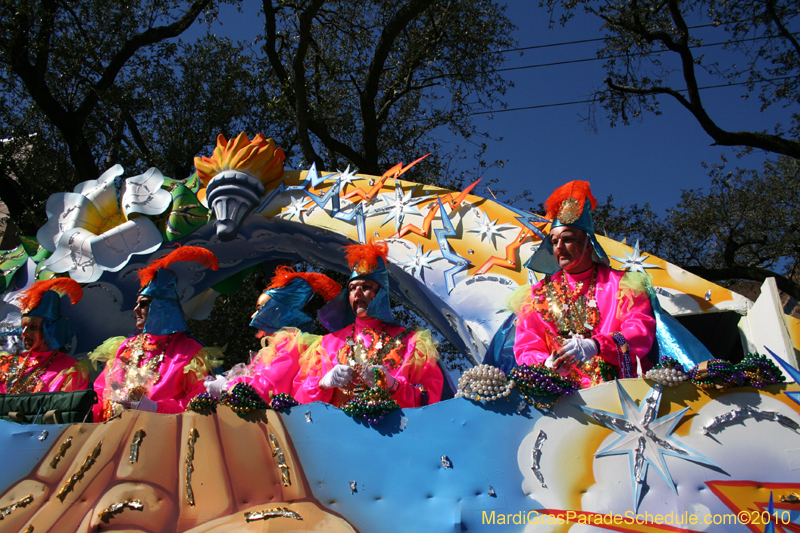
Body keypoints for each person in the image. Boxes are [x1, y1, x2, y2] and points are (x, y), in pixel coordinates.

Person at [513, 180, 657, 388]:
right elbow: (527, 347)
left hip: (621, 392)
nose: (560, 247)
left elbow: (639, 330)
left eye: (568, 239)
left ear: (588, 243)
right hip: (562, 400)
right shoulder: (536, 296)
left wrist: (597, 345)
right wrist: (547, 364)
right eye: (554, 242)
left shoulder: (622, 284)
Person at [293, 241, 443, 407]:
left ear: (380, 293)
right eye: (352, 288)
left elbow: (431, 399)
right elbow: (300, 402)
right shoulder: (326, 344)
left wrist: (392, 385)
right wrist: (323, 384)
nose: (357, 293)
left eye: (365, 287)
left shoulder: (412, 343)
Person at [92, 246, 221, 420]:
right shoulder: (125, 346)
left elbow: (201, 404)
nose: (136, 309)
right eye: (137, 303)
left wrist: (155, 408)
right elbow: (100, 393)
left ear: (162, 307)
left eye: (144, 304)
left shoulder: (191, 353)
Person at [207, 266, 341, 402]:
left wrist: (228, 386)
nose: (253, 315)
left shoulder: (293, 344)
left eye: (260, 309)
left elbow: (270, 386)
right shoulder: (269, 350)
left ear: (278, 312)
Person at [0, 278, 90, 393]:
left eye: (33, 327)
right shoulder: (6, 363)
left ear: (49, 330)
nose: (25, 333)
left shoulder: (70, 371)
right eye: (23, 327)